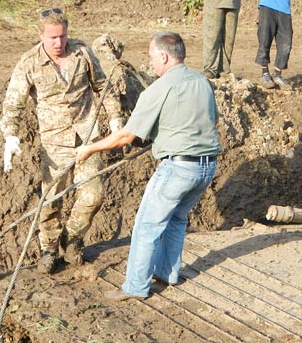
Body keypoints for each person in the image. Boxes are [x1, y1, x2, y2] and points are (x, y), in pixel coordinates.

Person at [75, 32, 220, 301]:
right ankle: (168, 273)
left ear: (164, 56)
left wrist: (89, 149)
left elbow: (125, 137)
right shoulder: (202, 82)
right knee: (177, 219)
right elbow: (209, 120)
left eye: (152, 57)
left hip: (178, 168)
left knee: (146, 226)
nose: (150, 62)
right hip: (206, 167)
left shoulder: (159, 88)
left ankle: (135, 287)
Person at [0, 8, 123, 274]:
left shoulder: (82, 53)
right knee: (51, 200)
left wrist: (115, 118)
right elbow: (13, 105)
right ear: (40, 35)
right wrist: (10, 136)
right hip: (54, 143)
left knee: (94, 195)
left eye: (63, 36)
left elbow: (103, 86)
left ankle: (72, 239)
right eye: (53, 37)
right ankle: (49, 249)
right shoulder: (29, 63)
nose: (59, 43)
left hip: (87, 137)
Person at [255, 0, 300, 89]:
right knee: (264, 40)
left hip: (284, 9)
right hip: (267, 6)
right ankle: (264, 73)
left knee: (286, 44)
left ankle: (278, 74)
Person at [199, 0, 245, 79]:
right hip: (215, 0)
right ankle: (210, 69)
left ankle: (224, 70)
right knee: (212, 37)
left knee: (229, 39)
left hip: (233, 1)